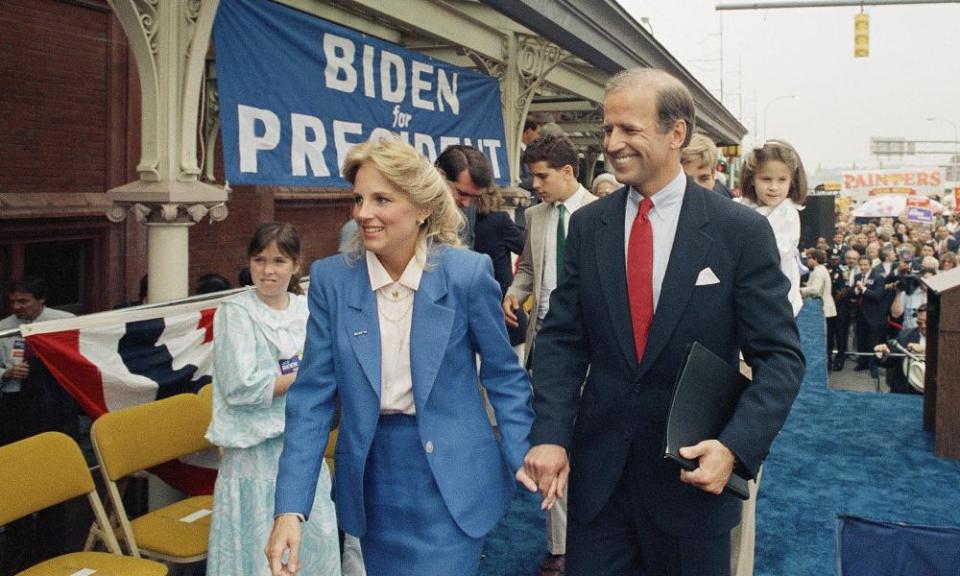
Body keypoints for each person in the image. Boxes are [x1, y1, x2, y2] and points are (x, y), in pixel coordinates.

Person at [522, 68, 804, 576]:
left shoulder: (739, 231)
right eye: (608, 129)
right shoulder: (589, 226)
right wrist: (550, 433)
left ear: (677, 134)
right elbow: (563, 340)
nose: (613, 143)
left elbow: (781, 358)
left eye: (629, 129)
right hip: (600, 484)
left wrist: (735, 447)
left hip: (693, 481)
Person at [267, 138, 536, 576]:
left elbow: (503, 376)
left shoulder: (466, 275)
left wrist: (523, 451)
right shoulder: (332, 281)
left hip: (452, 481)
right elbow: (311, 399)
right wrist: (290, 509)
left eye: (381, 199)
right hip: (374, 483)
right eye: (358, 199)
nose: (363, 213)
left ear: (423, 207)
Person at [205, 223, 340, 576]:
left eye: (279, 261)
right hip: (255, 455)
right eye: (259, 259)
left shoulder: (307, 308)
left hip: (302, 446)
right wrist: (306, 374)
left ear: (296, 265)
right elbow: (241, 386)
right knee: (256, 555)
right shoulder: (235, 312)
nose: (268, 270)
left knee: (311, 547)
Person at [502, 134, 598, 575]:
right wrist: (515, 291)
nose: (534, 184)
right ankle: (559, 546)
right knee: (551, 436)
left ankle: (597, 534)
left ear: (568, 172)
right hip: (546, 343)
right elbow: (527, 267)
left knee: (593, 442)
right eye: (531, 176)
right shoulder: (534, 215)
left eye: (542, 176)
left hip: (594, 347)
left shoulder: (602, 215)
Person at [1, 276, 77, 445]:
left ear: (41, 299)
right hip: (16, 398)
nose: (16, 307)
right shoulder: (3, 327)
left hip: (56, 396)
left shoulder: (65, 321)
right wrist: (6, 373)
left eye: (23, 301)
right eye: (12, 302)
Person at [738, 139, 807, 317]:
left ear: (791, 181)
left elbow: (771, 254)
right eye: (766, 179)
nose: (774, 187)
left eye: (782, 180)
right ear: (752, 179)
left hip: (779, 301)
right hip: (749, 296)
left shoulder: (788, 213)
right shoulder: (741, 206)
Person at [473, 186, 525, 346]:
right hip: (502, 307)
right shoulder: (500, 221)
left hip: (473, 307)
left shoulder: (464, 222)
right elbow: (525, 247)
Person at [435, 144, 493, 249]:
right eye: (462, 193)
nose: (466, 204)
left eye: (475, 197)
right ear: (439, 176)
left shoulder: (468, 207)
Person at [874, 304, 927, 395]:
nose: (923, 326)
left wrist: (925, 351)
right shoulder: (905, 336)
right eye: (919, 322)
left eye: (927, 322)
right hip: (905, 391)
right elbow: (890, 361)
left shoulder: (947, 339)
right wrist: (883, 355)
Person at [800, 248, 837, 362]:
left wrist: (800, 290)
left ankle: (826, 362)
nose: (807, 261)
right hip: (826, 308)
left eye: (809, 258)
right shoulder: (820, 270)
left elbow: (815, 289)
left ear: (815, 259)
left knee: (824, 338)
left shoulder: (818, 271)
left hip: (823, 308)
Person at [680, 133, 733, 199]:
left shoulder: (724, 207)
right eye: (687, 180)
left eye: (704, 178)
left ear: (713, 177)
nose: (696, 186)